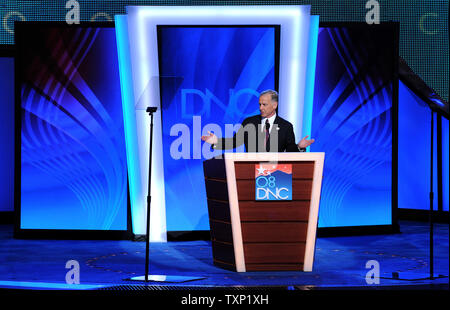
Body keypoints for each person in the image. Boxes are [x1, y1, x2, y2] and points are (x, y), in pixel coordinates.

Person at [201, 90, 315, 152]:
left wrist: (299, 146)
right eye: (259, 104)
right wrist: (216, 142)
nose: (260, 108)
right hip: (250, 171)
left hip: (277, 175)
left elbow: (290, 150)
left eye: (264, 104)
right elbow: (236, 141)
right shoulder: (249, 122)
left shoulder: (286, 126)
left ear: (275, 105)